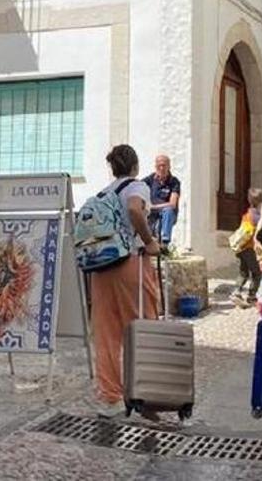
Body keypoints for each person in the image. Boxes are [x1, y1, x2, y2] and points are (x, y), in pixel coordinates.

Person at [89, 145, 162, 418]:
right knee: (142, 326)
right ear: (135, 166)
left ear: (113, 168)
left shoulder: (104, 192)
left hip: (101, 267)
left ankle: (110, 398)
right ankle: (145, 395)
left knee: (106, 332)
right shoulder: (137, 187)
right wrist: (149, 240)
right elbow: (134, 209)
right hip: (129, 262)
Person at [230, 188, 262, 308]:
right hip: (250, 248)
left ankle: (236, 292)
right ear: (261, 201)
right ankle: (252, 296)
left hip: (241, 248)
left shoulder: (247, 213)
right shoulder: (258, 216)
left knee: (243, 272)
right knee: (257, 273)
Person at [143, 154, 181, 245]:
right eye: (159, 165)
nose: (161, 168)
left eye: (164, 165)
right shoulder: (150, 179)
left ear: (169, 166)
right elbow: (137, 187)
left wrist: (153, 206)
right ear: (155, 166)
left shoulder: (174, 182)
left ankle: (165, 240)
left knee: (168, 210)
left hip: (166, 214)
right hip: (151, 214)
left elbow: (172, 204)